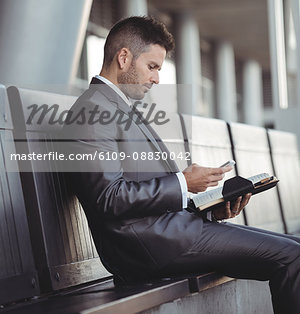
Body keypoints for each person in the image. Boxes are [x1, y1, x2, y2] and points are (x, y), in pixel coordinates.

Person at [63, 16, 300, 314]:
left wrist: (210, 208)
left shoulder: (114, 107)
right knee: (293, 255)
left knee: (294, 249)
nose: (157, 79)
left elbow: (134, 188)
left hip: (171, 233)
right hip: (155, 247)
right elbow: (107, 198)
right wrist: (183, 182)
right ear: (124, 57)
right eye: (152, 67)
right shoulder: (93, 111)